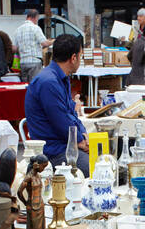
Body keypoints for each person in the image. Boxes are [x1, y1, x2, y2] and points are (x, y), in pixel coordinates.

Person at [24, 34, 90, 173]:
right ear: (73, 58)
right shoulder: (49, 82)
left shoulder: (59, 78)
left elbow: (71, 114)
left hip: (63, 146)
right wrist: (80, 141)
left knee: (109, 157)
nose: (80, 60)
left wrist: (83, 135)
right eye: (80, 57)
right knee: (101, 169)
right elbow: (61, 122)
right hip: (52, 153)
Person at [14, 9, 49, 83]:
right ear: (35, 17)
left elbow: (15, 48)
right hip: (34, 61)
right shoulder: (35, 28)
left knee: (25, 86)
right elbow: (44, 43)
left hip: (23, 62)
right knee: (35, 86)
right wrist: (52, 41)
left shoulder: (18, 30)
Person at [126, 17, 145, 85]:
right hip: (142, 81)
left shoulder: (138, 42)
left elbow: (129, 56)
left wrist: (134, 64)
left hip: (132, 78)